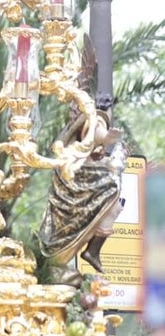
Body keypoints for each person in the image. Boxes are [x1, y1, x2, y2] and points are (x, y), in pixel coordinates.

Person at [39, 106, 124, 276]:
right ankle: (85, 253)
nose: (73, 112)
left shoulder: (91, 124)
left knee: (114, 205)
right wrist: (107, 138)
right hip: (73, 184)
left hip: (79, 182)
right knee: (112, 196)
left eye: (75, 109)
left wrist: (105, 144)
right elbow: (97, 135)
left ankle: (92, 251)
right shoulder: (79, 131)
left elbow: (97, 137)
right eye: (71, 110)